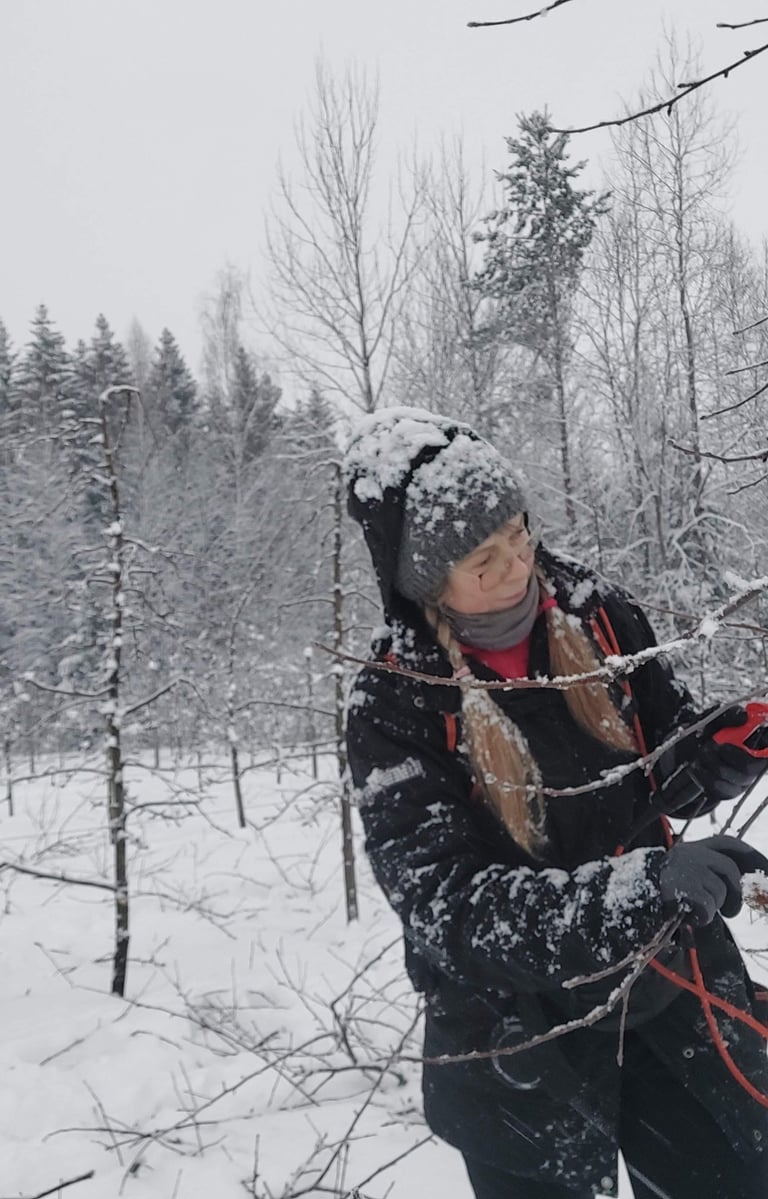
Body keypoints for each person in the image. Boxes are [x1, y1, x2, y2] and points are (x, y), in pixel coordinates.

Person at [343, 407, 768, 1199]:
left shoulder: (594, 610)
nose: (519, 566)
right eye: (484, 559)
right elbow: (453, 908)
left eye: (519, 533)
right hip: (518, 1038)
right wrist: (642, 889)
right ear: (425, 577)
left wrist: (713, 748)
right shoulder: (393, 706)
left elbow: (656, 756)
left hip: (668, 984)